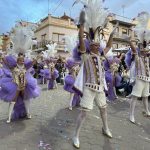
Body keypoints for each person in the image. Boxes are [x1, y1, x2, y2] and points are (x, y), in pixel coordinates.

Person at [72, 3, 118, 147]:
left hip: (99, 88)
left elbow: (109, 46)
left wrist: (111, 34)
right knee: (84, 113)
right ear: (89, 45)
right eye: (94, 45)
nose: (96, 46)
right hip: (89, 88)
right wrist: (81, 25)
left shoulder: (101, 56)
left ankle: (105, 128)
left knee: (103, 109)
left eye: (98, 45)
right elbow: (81, 39)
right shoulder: (85, 55)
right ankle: (76, 136)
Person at [125, 12, 150, 123]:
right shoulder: (137, 57)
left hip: (147, 79)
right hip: (139, 79)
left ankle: (147, 111)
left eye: (146, 50)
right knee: (135, 97)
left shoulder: (147, 58)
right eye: (144, 50)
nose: (145, 52)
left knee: (145, 96)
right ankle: (131, 115)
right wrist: (130, 40)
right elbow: (134, 50)